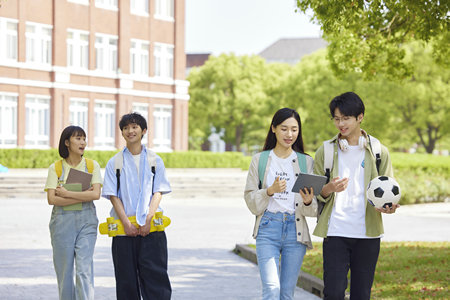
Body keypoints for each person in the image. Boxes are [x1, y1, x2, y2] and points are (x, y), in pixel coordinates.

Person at [313, 92, 400, 300]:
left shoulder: (379, 151)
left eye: (345, 118)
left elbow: (389, 188)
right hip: (336, 232)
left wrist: (389, 207)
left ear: (360, 117)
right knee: (333, 293)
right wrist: (329, 188)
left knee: (361, 294)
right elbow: (317, 192)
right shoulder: (325, 151)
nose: (340, 124)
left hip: (367, 235)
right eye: (336, 119)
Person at [244, 108, 318, 300]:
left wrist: (309, 201)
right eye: (284, 129)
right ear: (274, 128)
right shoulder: (259, 160)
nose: (289, 134)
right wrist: (269, 191)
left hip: (296, 229)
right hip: (268, 228)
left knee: (286, 293)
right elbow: (251, 201)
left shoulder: (306, 161)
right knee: (271, 289)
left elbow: (313, 209)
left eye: (294, 129)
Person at [101, 112, 171, 300]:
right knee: (126, 284)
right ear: (122, 133)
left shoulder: (155, 160)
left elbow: (158, 191)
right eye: (126, 128)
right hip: (124, 232)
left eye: (134, 127)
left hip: (152, 231)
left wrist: (147, 219)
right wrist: (126, 223)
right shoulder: (114, 163)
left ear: (143, 131)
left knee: (156, 282)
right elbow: (113, 195)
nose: (130, 131)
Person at [44, 126, 102, 300]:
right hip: (62, 223)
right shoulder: (56, 168)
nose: (83, 142)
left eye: (84, 138)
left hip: (87, 222)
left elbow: (96, 194)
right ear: (67, 143)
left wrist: (67, 193)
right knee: (65, 273)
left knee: (84, 270)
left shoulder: (92, 166)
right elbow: (52, 199)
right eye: (78, 138)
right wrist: (84, 195)